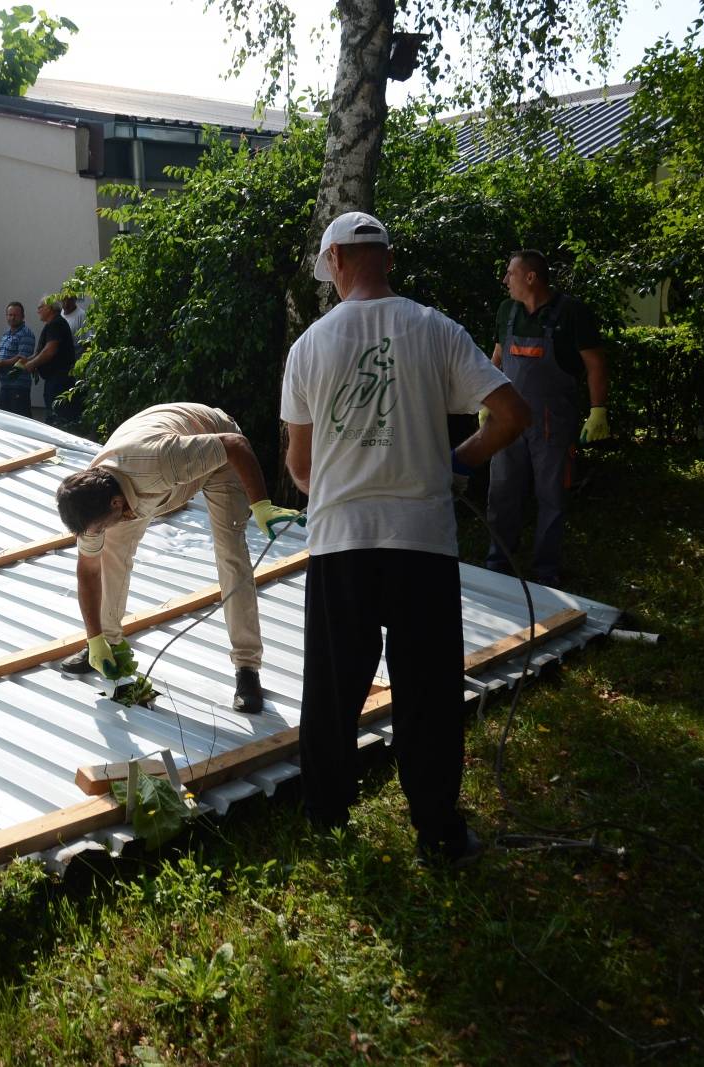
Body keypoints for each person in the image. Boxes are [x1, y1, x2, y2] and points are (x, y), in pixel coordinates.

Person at [281, 211, 529, 866]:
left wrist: (337, 482)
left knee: (334, 689)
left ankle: (328, 818)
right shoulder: (434, 329)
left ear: (335, 260)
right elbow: (511, 414)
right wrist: (459, 461)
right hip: (422, 539)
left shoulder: (310, 346)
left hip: (341, 541)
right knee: (428, 690)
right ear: (385, 259)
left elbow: (300, 467)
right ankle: (438, 831)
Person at [53, 402, 305, 715]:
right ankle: (105, 647)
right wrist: (95, 637)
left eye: (103, 525)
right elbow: (89, 572)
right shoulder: (89, 506)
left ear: (117, 504)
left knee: (231, 555)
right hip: (161, 466)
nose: (98, 533)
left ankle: (247, 669)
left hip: (219, 450)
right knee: (110, 557)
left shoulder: (159, 463)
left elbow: (235, 446)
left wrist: (262, 506)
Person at [482, 249, 609, 587]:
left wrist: (599, 410)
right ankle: (499, 562)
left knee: (551, 495)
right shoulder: (506, 311)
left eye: (510, 273)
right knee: (502, 491)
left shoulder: (571, 312)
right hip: (507, 419)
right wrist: (485, 398)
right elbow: (496, 356)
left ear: (530, 277)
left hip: (553, 422)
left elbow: (595, 363)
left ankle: (545, 571)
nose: (505, 279)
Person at [23, 296, 77, 427]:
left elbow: (49, 351)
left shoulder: (56, 324)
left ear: (49, 308)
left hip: (59, 380)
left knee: (57, 419)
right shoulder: (52, 324)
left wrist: (32, 364)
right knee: (54, 416)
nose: (38, 311)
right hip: (55, 379)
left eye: (40, 307)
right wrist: (27, 360)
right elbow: (41, 352)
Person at [0, 300, 37, 416]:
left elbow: (22, 358)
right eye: (10, 315)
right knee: (5, 421)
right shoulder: (6, 334)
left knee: (19, 422)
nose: (12, 318)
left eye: (15, 315)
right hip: (5, 385)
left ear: (22, 317)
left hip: (18, 386)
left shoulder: (26, 334)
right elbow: (1, 354)